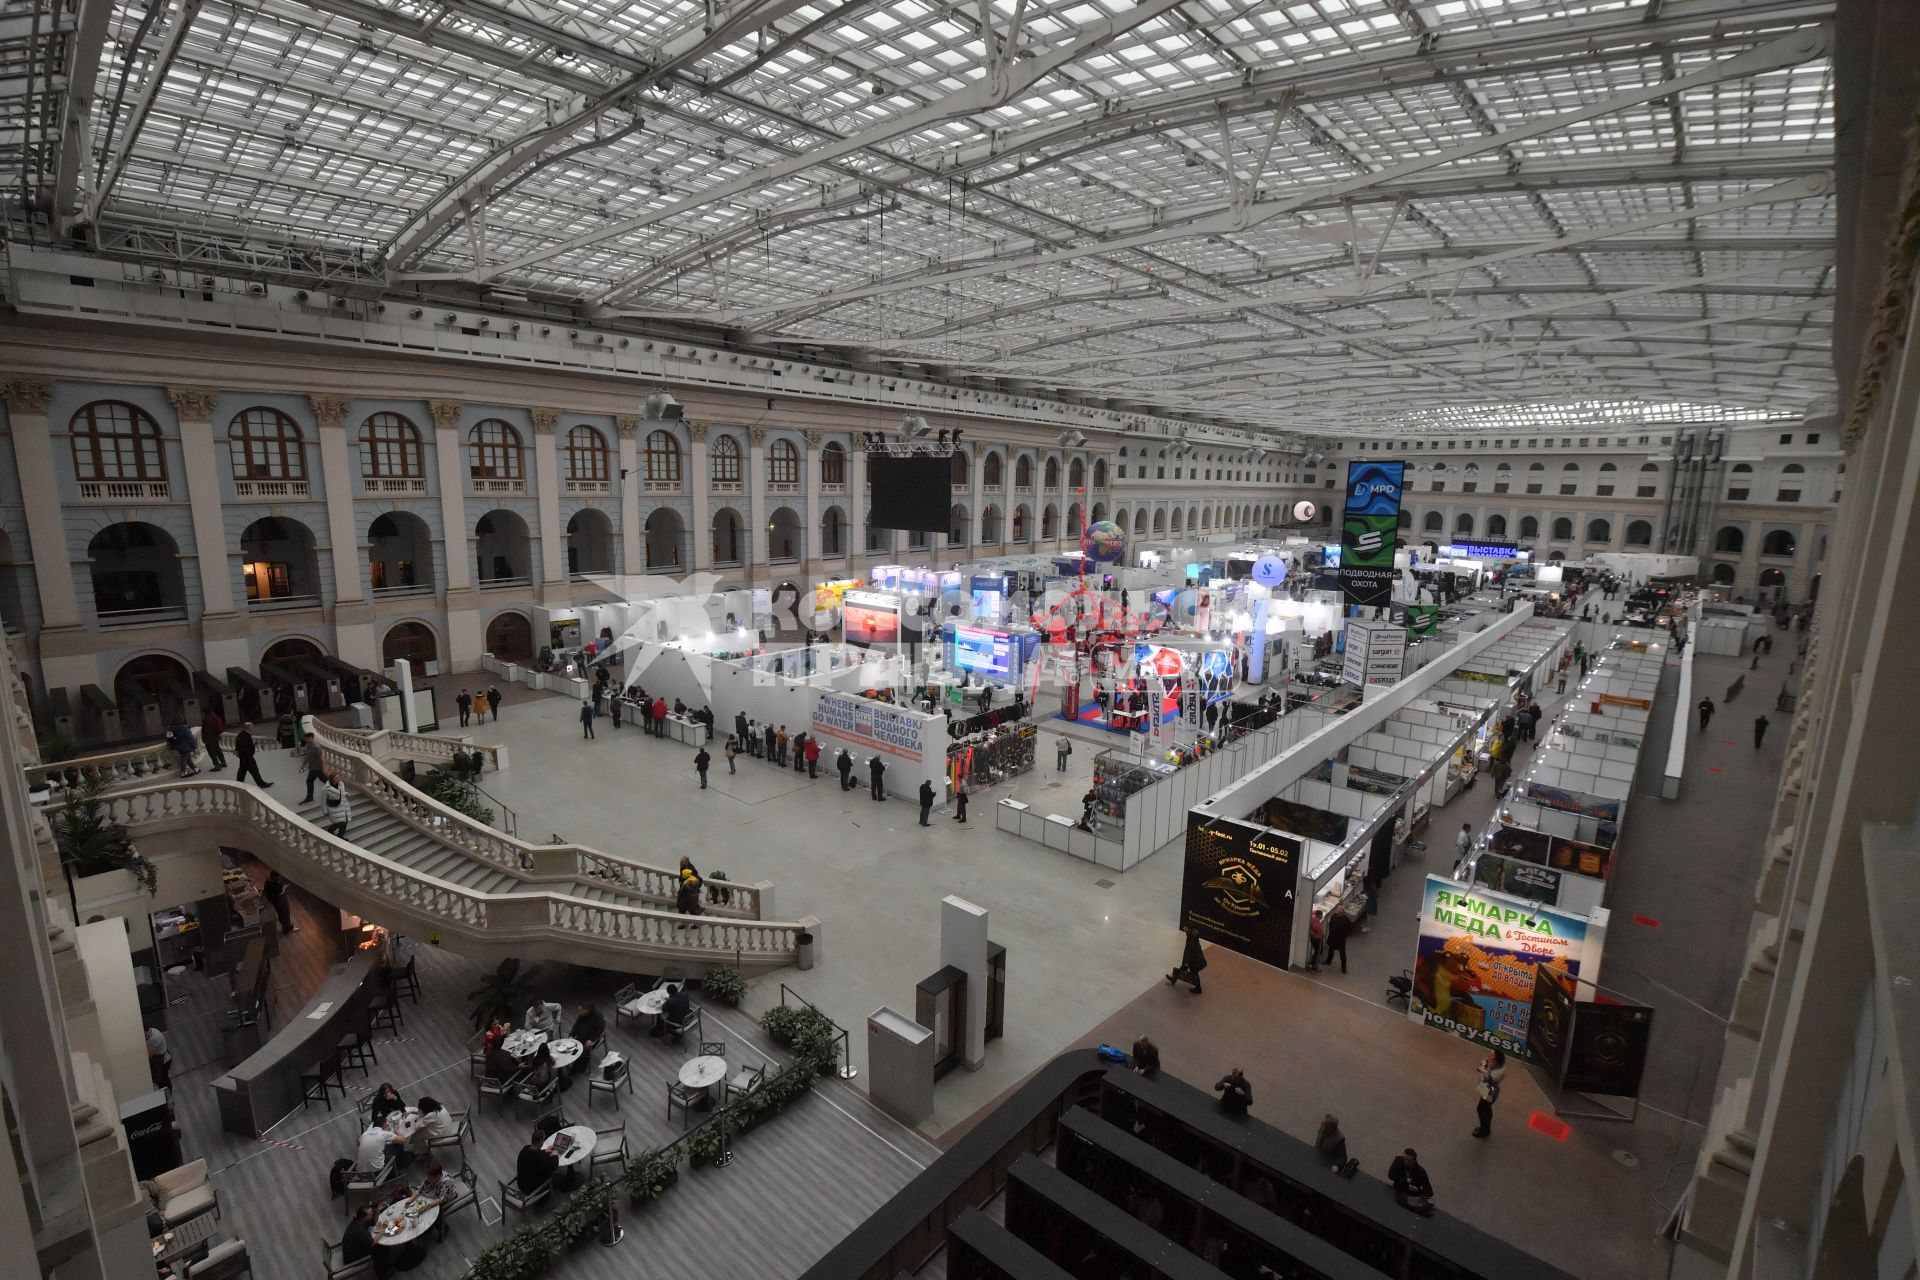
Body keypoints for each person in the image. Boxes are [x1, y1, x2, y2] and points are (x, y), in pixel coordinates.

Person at [1388, 1148, 1434, 1214]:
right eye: (1404, 1158)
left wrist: (1417, 1190)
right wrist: (1405, 1180)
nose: (1405, 1162)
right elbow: (1391, 1175)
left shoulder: (1421, 1172)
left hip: (1412, 1195)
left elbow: (1429, 1192)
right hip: (1398, 1189)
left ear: (1414, 1161)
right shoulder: (1398, 1160)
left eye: (1409, 1160)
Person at [1472, 1049, 1506, 1138]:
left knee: (1481, 1109)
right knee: (1486, 1108)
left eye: (1492, 1056)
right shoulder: (1488, 1061)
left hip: (1490, 1091)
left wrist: (1489, 1068)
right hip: (1483, 1087)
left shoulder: (1501, 1071)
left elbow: (1488, 1079)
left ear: (1497, 1060)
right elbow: (1478, 1067)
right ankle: (1486, 1128)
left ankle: (1484, 1130)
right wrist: (1486, 1070)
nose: (1489, 1057)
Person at [568, 1004, 605, 1075]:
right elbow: (575, 1026)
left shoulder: (597, 1017)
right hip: (580, 1037)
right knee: (569, 1047)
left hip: (590, 1040)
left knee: (582, 1051)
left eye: (580, 1010)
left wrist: (591, 1040)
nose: (579, 1012)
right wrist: (571, 1035)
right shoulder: (582, 1016)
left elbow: (600, 1030)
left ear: (586, 1010)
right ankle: (576, 1061)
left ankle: (576, 1069)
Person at [1168, 928, 1206, 993]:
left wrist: (1187, 962)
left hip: (1194, 962)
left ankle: (1198, 988)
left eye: (1186, 928)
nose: (1184, 930)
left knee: (1193, 973)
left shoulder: (1192, 941)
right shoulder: (1191, 938)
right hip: (1192, 961)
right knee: (1184, 970)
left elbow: (1191, 953)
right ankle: (1174, 979)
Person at [233, 722, 270, 787]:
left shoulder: (240, 735)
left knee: (242, 771)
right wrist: (250, 753)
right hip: (248, 758)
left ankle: (238, 784)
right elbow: (246, 748)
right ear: (249, 727)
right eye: (252, 727)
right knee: (254, 771)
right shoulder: (246, 736)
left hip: (243, 758)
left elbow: (238, 747)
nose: (253, 728)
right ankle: (261, 783)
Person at [264, 869, 294, 934]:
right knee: (284, 913)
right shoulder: (277, 884)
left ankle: (286, 927)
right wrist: (285, 887)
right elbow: (280, 892)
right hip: (279, 900)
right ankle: (287, 928)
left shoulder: (268, 881)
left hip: (272, 899)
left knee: (281, 913)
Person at [322, 772, 351, 838]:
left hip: (343, 805)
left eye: (339, 777)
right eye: (336, 778)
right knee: (339, 822)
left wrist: (346, 794)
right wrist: (325, 812)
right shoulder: (326, 789)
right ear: (332, 779)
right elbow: (323, 801)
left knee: (345, 821)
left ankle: (340, 835)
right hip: (334, 808)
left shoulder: (341, 784)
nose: (338, 779)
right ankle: (330, 830)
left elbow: (342, 793)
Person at [1324, 908, 1352, 974]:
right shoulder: (1335, 916)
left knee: (1342, 953)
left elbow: (1348, 929)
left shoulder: (1346, 919)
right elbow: (1330, 924)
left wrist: (1344, 936)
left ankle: (1343, 967)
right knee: (1331, 950)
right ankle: (1328, 961)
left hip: (1340, 939)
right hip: (1333, 937)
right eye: (1338, 912)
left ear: (1343, 913)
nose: (1338, 914)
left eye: (1339, 913)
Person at [302, 732, 326, 802]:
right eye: (305, 739)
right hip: (313, 767)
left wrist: (324, 769)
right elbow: (308, 755)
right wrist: (304, 763)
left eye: (307, 739)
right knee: (325, 780)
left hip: (316, 768)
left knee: (309, 781)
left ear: (311, 738)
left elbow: (322, 759)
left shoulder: (316, 748)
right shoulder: (308, 746)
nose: (306, 741)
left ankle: (310, 798)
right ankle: (337, 787)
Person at [146, 1025, 170, 1090]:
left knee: (162, 1080)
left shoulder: (155, 1038)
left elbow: (149, 1056)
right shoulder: (151, 1031)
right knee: (162, 1079)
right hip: (158, 1058)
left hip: (163, 1060)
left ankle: (167, 1094)